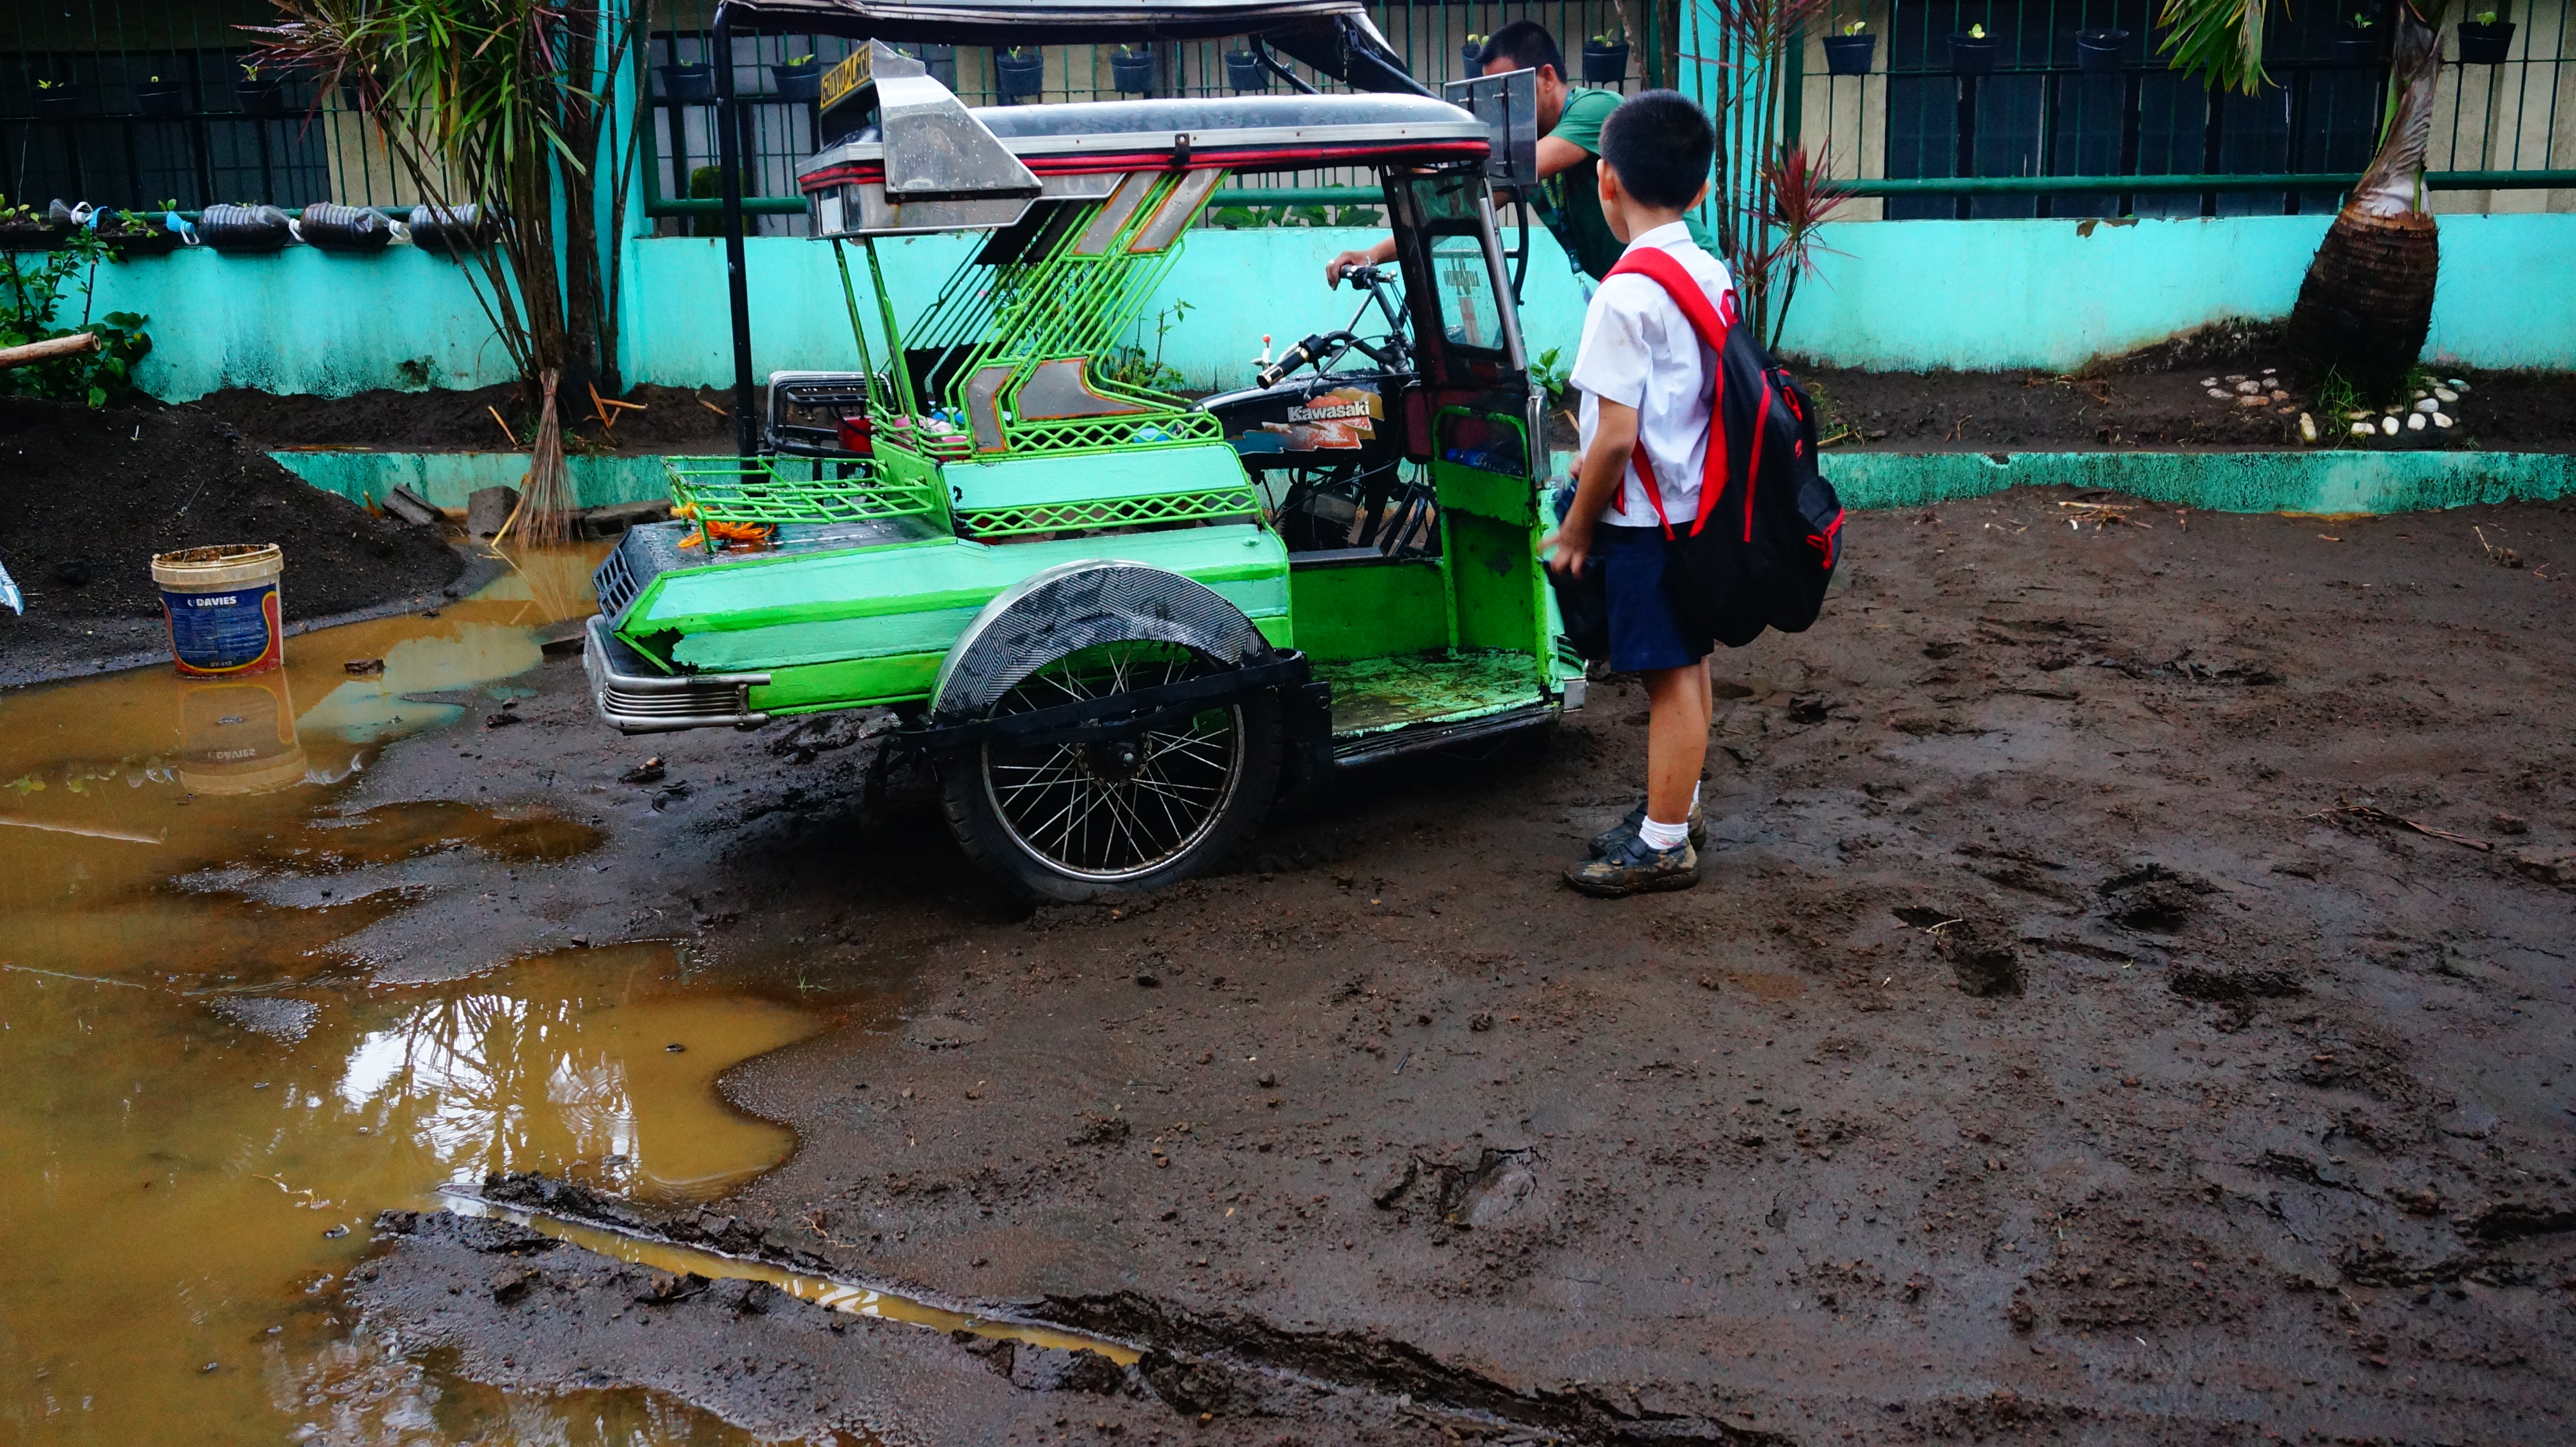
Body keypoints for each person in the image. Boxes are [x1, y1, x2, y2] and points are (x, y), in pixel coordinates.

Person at [1541, 90, 1732, 897]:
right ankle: (1676, 809)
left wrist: (1578, 530)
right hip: (1696, 506)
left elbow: (1616, 437)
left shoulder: (1624, 292)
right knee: (1688, 664)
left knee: (1667, 677)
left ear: (1606, 180)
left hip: (1647, 519)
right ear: (1702, 189)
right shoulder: (1707, 271)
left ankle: (1663, 843)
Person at [1323, 20, 1717, 290]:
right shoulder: (1521, 153)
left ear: (1547, 78)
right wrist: (1372, 255)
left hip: (1689, 275)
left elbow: (1509, 169)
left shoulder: (1596, 111)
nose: (1499, 103)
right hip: (1639, 284)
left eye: (1509, 89)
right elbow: (1456, 211)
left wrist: (1430, 155)